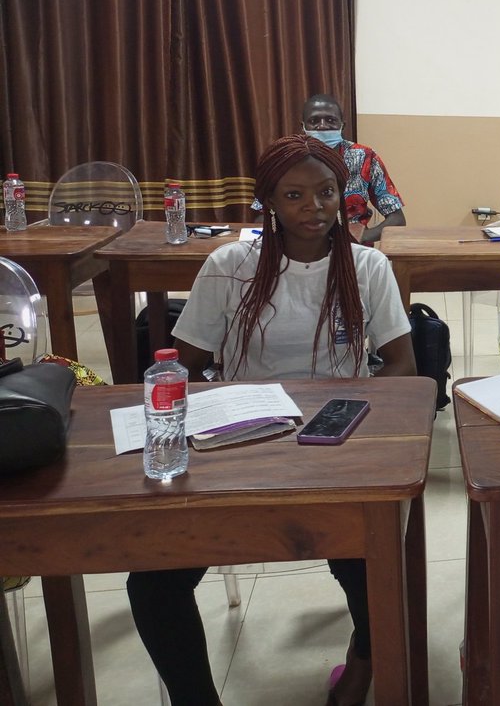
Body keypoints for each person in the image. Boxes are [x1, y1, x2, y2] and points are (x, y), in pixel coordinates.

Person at [126, 135, 417, 706]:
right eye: (295, 195)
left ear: (343, 196)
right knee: (153, 580)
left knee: (380, 577)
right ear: (269, 203)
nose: (314, 207)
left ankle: (359, 675)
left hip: (337, 443)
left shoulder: (367, 266)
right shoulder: (230, 265)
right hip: (242, 447)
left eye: (327, 192)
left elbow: (403, 365)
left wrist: (338, 409)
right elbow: (182, 368)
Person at [301, 93, 407, 243]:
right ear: (303, 127)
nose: (323, 126)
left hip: (353, 250)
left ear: (342, 126)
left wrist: (358, 239)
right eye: (314, 121)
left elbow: (397, 218)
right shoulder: (287, 159)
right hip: (301, 248)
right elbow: (262, 215)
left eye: (330, 120)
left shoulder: (365, 157)